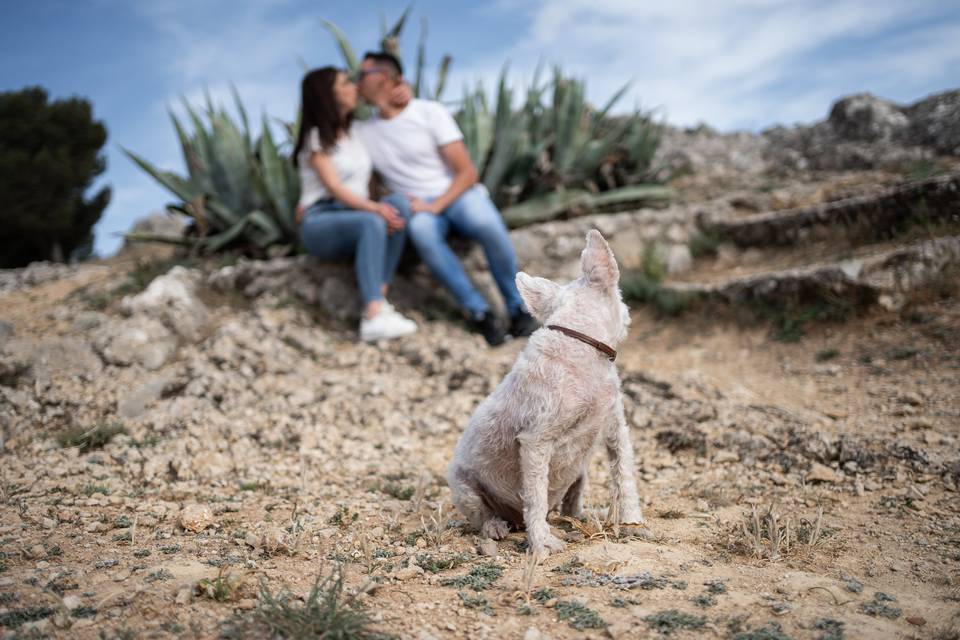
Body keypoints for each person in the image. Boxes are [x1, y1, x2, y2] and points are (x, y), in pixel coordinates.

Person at [353, 51, 537, 346]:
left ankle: (518, 308)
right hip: (420, 208)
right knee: (422, 232)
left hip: (457, 193)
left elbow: (466, 172)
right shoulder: (363, 131)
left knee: (486, 224)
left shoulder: (429, 111)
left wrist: (435, 204)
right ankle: (480, 313)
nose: (357, 82)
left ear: (386, 77)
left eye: (362, 75)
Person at [294, 67, 418, 342]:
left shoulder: (357, 132)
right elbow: (335, 188)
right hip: (321, 219)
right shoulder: (316, 137)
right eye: (344, 83)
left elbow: (387, 116)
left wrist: (402, 94)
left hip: (355, 213)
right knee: (374, 219)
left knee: (398, 204)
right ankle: (373, 317)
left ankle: (379, 296)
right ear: (328, 95)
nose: (353, 87)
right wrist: (375, 208)